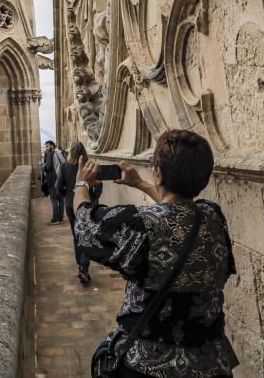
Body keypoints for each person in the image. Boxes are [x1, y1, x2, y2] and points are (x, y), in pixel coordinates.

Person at [73, 129, 238, 377]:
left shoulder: (140, 225)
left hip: (147, 366)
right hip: (210, 364)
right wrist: (139, 183)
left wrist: (82, 183)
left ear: (159, 174)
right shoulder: (213, 216)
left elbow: (85, 223)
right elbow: (176, 209)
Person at [57, 142, 102, 285]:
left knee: (76, 235)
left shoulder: (65, 166)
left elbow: (59, 186)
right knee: (86, 235)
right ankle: (83, 268)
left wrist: (67, 197)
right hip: (86, 202)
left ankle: (81, 266)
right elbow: (99, 184)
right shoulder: (89, 167)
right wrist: (94, 197)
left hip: (71, 204)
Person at [39, 140, 66, 224]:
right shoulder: (60, 153)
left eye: (47, 146)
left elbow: (49, 167)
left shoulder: (51, 154)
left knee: (53, 199)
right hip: (61, 179)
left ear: (52, 146)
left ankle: (56, 219)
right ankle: (61, 218)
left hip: (53, 180)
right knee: (60, 199)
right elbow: (64, 163)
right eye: (46, 146)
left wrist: (42, 165)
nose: (46, 148)